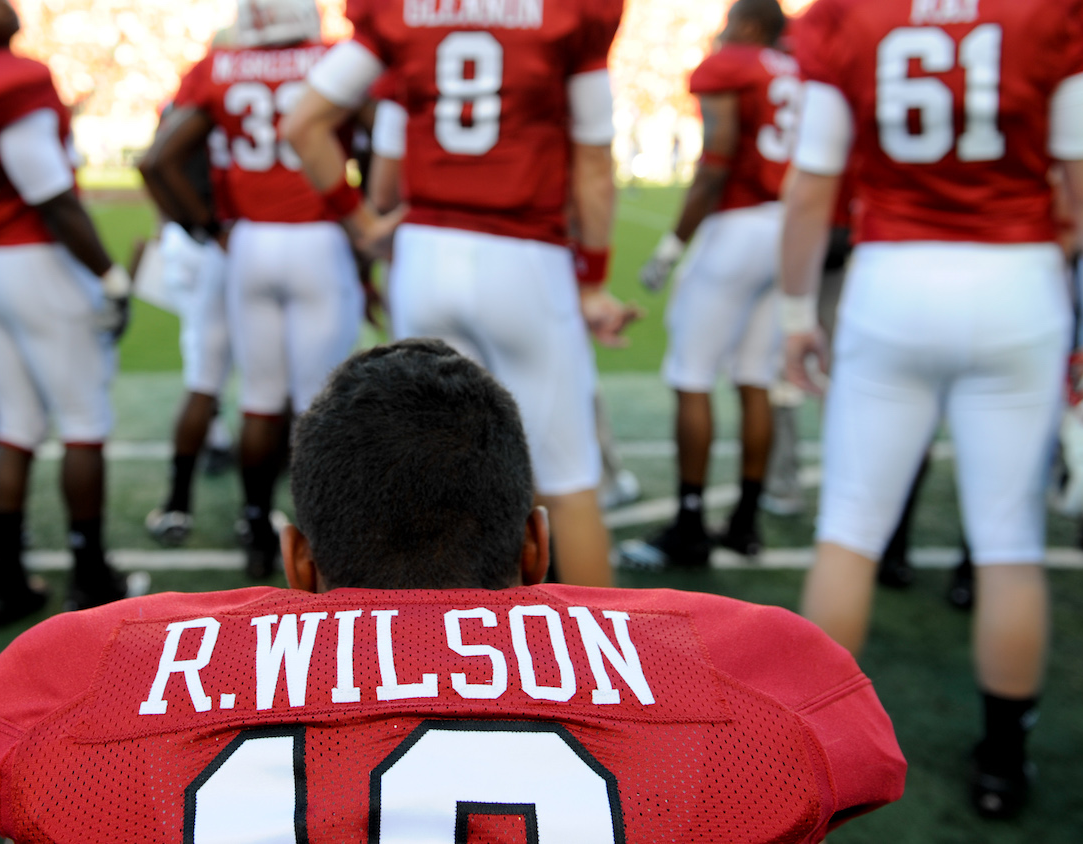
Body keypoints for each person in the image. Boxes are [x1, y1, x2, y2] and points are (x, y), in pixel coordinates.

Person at [0, 338, 906, 840]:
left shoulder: (76, 684)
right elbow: (839, 752)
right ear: (535, 548)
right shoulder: (754, 679)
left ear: (298, 560)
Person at [781, 0, 1083, 818]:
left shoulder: (852, 16)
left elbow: (811, 191)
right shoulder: (1055, 14)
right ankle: (1001, 766)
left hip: (893, 281)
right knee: (1009, 542)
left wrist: (796, 313)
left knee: (850, 529)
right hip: (1017, 284)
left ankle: (810, 750)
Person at [282, 0, 639, 588]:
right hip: (525, 257)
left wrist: (365, 226)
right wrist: (595, 280)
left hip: (424, 256)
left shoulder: (401, 14)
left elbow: (305, 125)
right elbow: (594, 164)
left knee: (431, 468)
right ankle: (603, 675)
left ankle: (423, 660)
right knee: (569, 481)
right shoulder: (571, 12)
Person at [0, 0, 147, 626]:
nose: (6, 7)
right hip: (32, 257)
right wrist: (109, 273)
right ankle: (91, 577)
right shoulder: (10, 78)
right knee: (82, 422)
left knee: (16, 425)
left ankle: (5, 581)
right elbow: (50, 192)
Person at [148, 0, 365, 579]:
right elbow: (369, 137)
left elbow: (158, 160)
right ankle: (320, 530)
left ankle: (253, 525)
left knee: (259, 400)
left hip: (249, 244)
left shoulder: (219, 65)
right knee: (318, 401)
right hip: (319, 239)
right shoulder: (333, 59)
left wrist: (208, 225)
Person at [623, 0, 795, 569]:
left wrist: (671, 247)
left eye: (726, 23)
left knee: (692, 375)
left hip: (739, 228)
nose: (720, 34)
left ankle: (690, 523)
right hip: (787, 229)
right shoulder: (792, 68)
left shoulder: (734, 64)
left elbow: (716, 162)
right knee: (755, 377)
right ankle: (746, 523)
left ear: (748, 25)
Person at [138, 92, 236, 548]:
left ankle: (179, 502)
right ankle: (256, 520)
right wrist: (207, 226)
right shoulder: (220, 97)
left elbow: (156, 164)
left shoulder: (189, 104)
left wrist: (177, 224)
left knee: (202, 365)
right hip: (228, 238)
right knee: (268, 388)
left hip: (196, 242)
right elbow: (154, 163)